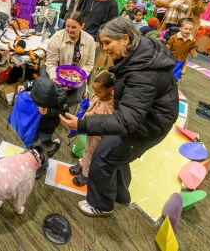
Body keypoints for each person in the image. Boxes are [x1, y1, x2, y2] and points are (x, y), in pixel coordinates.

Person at [59, 17, 178, 217]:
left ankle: (101, 205)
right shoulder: (140, 50)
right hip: (148, 119)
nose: (104, 48)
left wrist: (83, 124)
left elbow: (126, 120)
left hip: (147, 126)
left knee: (103, 157)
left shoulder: (143, 74)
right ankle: (120, 195)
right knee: (118, 157)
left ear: (124, 39)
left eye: (107, 43)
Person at [68, 70, 115, 187]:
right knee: (87, 148)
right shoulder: (99, 94)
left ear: (109, 90)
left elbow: (105, 122)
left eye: (98, 91)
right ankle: (83, 164)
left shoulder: (110, 104)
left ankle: (86, 174)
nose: (95, 93)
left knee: (94, 153)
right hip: (90, 129)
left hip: (99, 135)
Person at [43, 11, 95, 105]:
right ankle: (51, 111)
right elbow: (51, 63)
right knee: (51, 93)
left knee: (74, 98)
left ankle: (61, 110)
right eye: (67, 26)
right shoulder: (56, 38)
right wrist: (56, 79)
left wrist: (78, 77)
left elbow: (89, 64)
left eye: (74, 27)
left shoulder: (90, 40)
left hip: (77, 78)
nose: (70, 30)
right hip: (57, 74)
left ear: (82, 26)